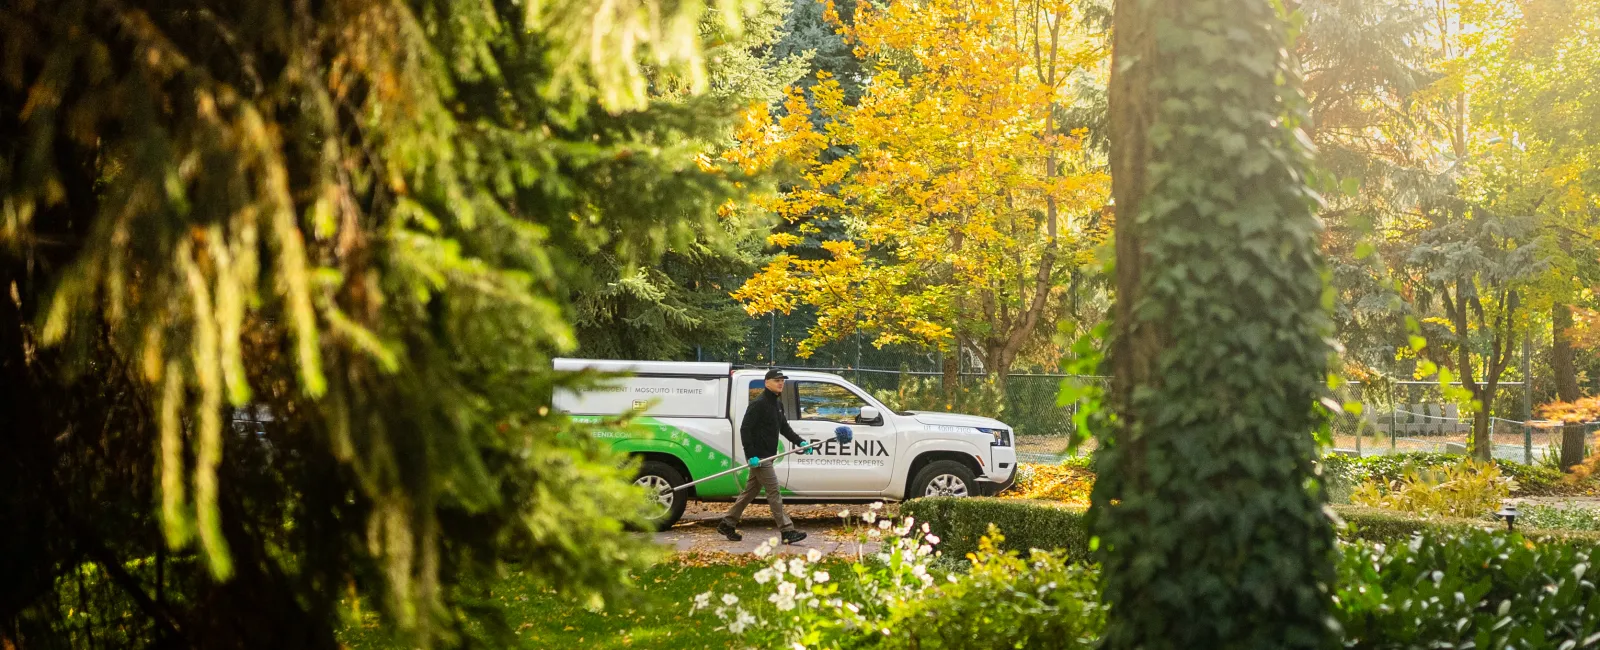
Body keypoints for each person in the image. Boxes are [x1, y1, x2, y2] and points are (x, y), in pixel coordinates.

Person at [718, 368, 809, 544]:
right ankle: (787, 531)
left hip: (768, 456)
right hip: (759, 458)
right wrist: (751, 455)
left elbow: (784, 428)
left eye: (782, 380)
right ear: (767, 382)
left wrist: (800, 442)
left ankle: (727, 523)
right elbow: (745, 429)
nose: (781, 383)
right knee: (774, 490)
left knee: (749, 492)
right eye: (777, 380)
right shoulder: (758, 404)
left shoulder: (777, 405)